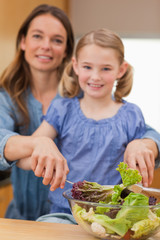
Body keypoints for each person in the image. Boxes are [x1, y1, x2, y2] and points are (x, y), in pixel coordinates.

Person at [4, 29, 160, 224]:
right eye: (87, 67)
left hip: (113, 215)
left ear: (121, 70)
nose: (95, 76)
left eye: (106, 69)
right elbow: (27, 156)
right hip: (66, 212)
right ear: (75, 66)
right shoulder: (62, 109)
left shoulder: (131, 115)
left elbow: (136, 177)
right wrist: (40, 158)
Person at [0, 4, 74, 220]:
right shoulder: (7, 97)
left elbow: (143, 132)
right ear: (23, 42)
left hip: (71, 225)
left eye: (57, 40)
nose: (46, 46)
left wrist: (144, 142)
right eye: (37, 36)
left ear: (67, 50)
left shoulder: (81, 97)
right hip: (20, 221)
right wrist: (37, 143)